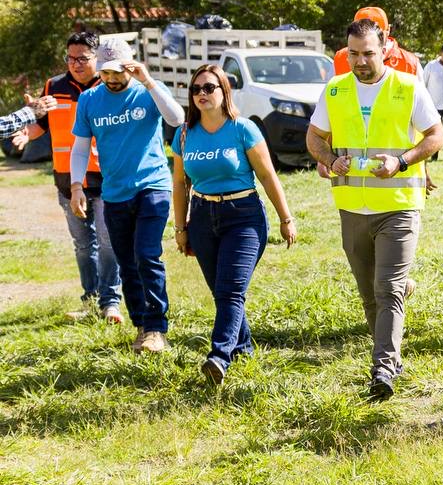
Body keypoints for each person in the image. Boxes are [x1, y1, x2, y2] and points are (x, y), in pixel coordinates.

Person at [306, 18, 443, 400]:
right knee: (370, 293)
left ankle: (383, 368)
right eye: (353, 53)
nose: (361, 61)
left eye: (368, 53)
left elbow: (436, 136)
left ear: (385, 49)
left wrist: (402, 162)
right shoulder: (335, 90)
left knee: (386, 290)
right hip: (352, 207)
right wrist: (330, 159)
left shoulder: (407, 87)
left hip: (398, 207)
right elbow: (314, 138)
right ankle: (391, 348)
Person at [172, 65, 296, 385]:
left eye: (209, 88)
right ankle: (243, 349)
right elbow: (179, 185)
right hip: (201, 217)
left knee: (230, 290)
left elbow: (268, 176)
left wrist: (286, 219)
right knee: (223, 292)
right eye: (196, 89)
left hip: (243, 217)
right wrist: (180, 228)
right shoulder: (184, 134)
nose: (202, 94)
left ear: (224, 91)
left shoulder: (244, 129)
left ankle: (220, 355)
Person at [70, 38, 185, 353]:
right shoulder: (90, 100)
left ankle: (157, 328)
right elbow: (80, 148)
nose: (112, 79)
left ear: (131, 66)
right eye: (106, 73)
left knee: (147, 254)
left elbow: (176, 119)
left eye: (119, 72)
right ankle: (141, 325)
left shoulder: (148, 91)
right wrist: (77, 186)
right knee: (126, 261)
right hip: (115, 193)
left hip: (152, 186)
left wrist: (147, 80)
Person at [23, 32, 123, 323]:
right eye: (71, 58)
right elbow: (41, 125)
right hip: (67, 178)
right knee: (83, 244)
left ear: (96, 57)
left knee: (107, 241)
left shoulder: (109, 84)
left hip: (107, 178)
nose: (76, 64)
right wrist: (24, 133)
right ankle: (90, 300)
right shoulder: (53, 87)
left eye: (83, 58)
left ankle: (111, 302)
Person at [332, 6, 422, 76]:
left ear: (388, 31)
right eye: (361, 33)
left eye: (376, 34)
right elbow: (330, 94)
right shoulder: (340, 58)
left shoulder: (410, 63)